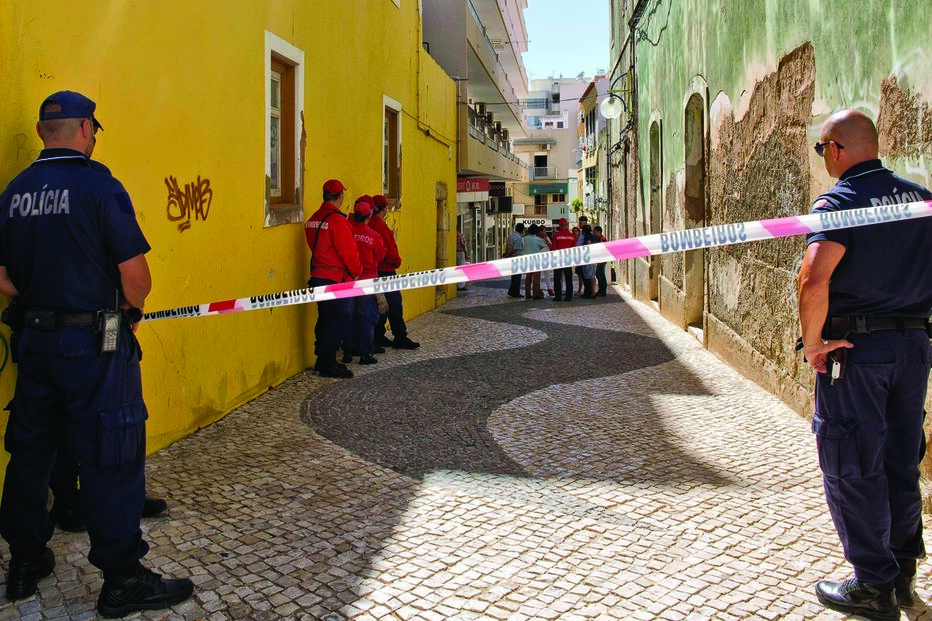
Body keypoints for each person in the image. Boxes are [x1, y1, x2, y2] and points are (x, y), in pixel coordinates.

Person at [0, 90, 193, 616]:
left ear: (43, 132)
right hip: (94, 345)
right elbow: (137, 278)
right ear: (85, 130)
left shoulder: (14, 193)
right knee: (112, 453)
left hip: (35, 343)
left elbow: (2, 277)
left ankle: (24, 560)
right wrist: (127, 309)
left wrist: (41, 296)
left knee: (31, 452)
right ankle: (123, 577)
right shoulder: (100, 187)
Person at [797, 109, 932, 620]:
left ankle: (872, 583)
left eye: (822, 149)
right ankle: (901, 572)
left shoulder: (841, 201)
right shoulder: (923, 200)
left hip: (856, 353)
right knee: (901, 459)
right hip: (914, 347)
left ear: (836, 149)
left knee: (852, 462)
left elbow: (815, 279)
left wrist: (813, 344)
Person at [305, 179, 362, 378]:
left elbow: (314, 244)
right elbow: (348, 251)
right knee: (340, 318)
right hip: (336, 278)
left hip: (318, 275)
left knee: (325, 318)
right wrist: (357, 270)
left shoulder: (314, 218)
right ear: (339, 196)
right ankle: (328, 361)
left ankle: (322, 358)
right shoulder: (337, 221)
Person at [370, 194, 419, 349]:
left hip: (373, 271)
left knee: (380, 305)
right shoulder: (381, 227)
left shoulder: (367, 224)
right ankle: (400, 336)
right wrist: (396, 261)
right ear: (384, 208)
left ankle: (377, 335)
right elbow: (389, 250)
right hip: (386, 270)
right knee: (394, 304)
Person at [342, 196, 385, 365]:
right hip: (368, 280)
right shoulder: (373, 236)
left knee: (350, 315)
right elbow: (380, 255)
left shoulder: (348, 231)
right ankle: (365, 352)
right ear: (369, 217)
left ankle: (348, 351)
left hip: (350, 280)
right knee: (367, 316)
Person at [551, 218, 576, 302]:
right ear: (567, 224)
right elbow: (574, 249)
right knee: (568, 278)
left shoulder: (556, 235)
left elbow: (553, 248)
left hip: (558, 260)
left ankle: (558, 296)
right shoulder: (572, 236)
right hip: (568, 260)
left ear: (559, 225)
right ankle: (568, 296)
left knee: (557, 279)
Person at [522, 224, 545, 300]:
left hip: (527, 260)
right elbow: (542, 246)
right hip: (536, 260)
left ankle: (527, 294)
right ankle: (535, 294)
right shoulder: (538, 239)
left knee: (528, 278)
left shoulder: (525, 238)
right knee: (536, 278)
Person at [504, 222, 525, 298]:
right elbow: (515, 249)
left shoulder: (511, 236)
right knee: (517, 277)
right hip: (517, 258)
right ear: (522, 230)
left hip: (511, 258)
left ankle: (511, 291)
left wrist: (507, 255)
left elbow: (508, 247)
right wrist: (509, 254)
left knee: (514, 276)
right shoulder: (518, 238)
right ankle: (516, 292)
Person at [579, 224, 597, 299]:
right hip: (593, 259)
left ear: (584, 231)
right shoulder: (593, 236)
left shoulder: (587, 237)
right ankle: (592, 292)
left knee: (589, 276)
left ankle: (591, 292)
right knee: (592, 275)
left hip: (588, 259)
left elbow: (589, 244)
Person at [593, 225, 608, 297]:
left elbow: (602, 250)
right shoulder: (599, 238)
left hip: (602, 260)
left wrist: (599, 260)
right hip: (600, 260)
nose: (593, 233)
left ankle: (602, 291)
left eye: (594, 232)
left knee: (601, 275)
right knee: (599, 275)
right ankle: (600, 290)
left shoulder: (602, 239)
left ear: (598, 232)